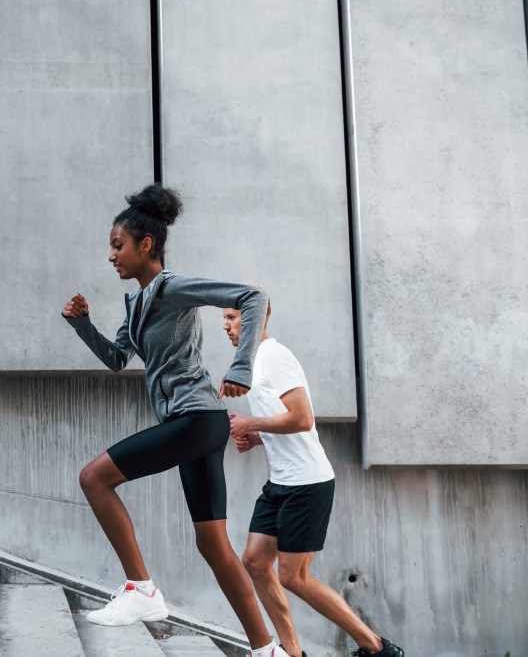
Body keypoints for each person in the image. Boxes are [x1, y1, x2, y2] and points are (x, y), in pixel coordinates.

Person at [62, 183, 286, 657]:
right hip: (201, 425)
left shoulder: (170, 287)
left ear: (146, 246)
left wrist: (242, 365)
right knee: (212, 544)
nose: (111, 256)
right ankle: (266, 650)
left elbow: (253, 296)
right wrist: (83, 325)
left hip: (196, 417)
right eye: (110, 248)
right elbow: (118, 359)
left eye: (117, 246)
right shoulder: (137, 303)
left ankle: (141, 590)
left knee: (94, 479)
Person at [222, 304, 405, 657]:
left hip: (307, 483)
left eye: (231, 318)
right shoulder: (254, 362)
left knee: (294, 577)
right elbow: (285, 420)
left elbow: (303, 418)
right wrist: (259, 437)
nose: (225, 326)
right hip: (280, 483)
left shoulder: (274, 356)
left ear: (256, 318)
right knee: (256, 562)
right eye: (224, 319)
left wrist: (251, 424)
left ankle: (377, 648)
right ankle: (291, 652)